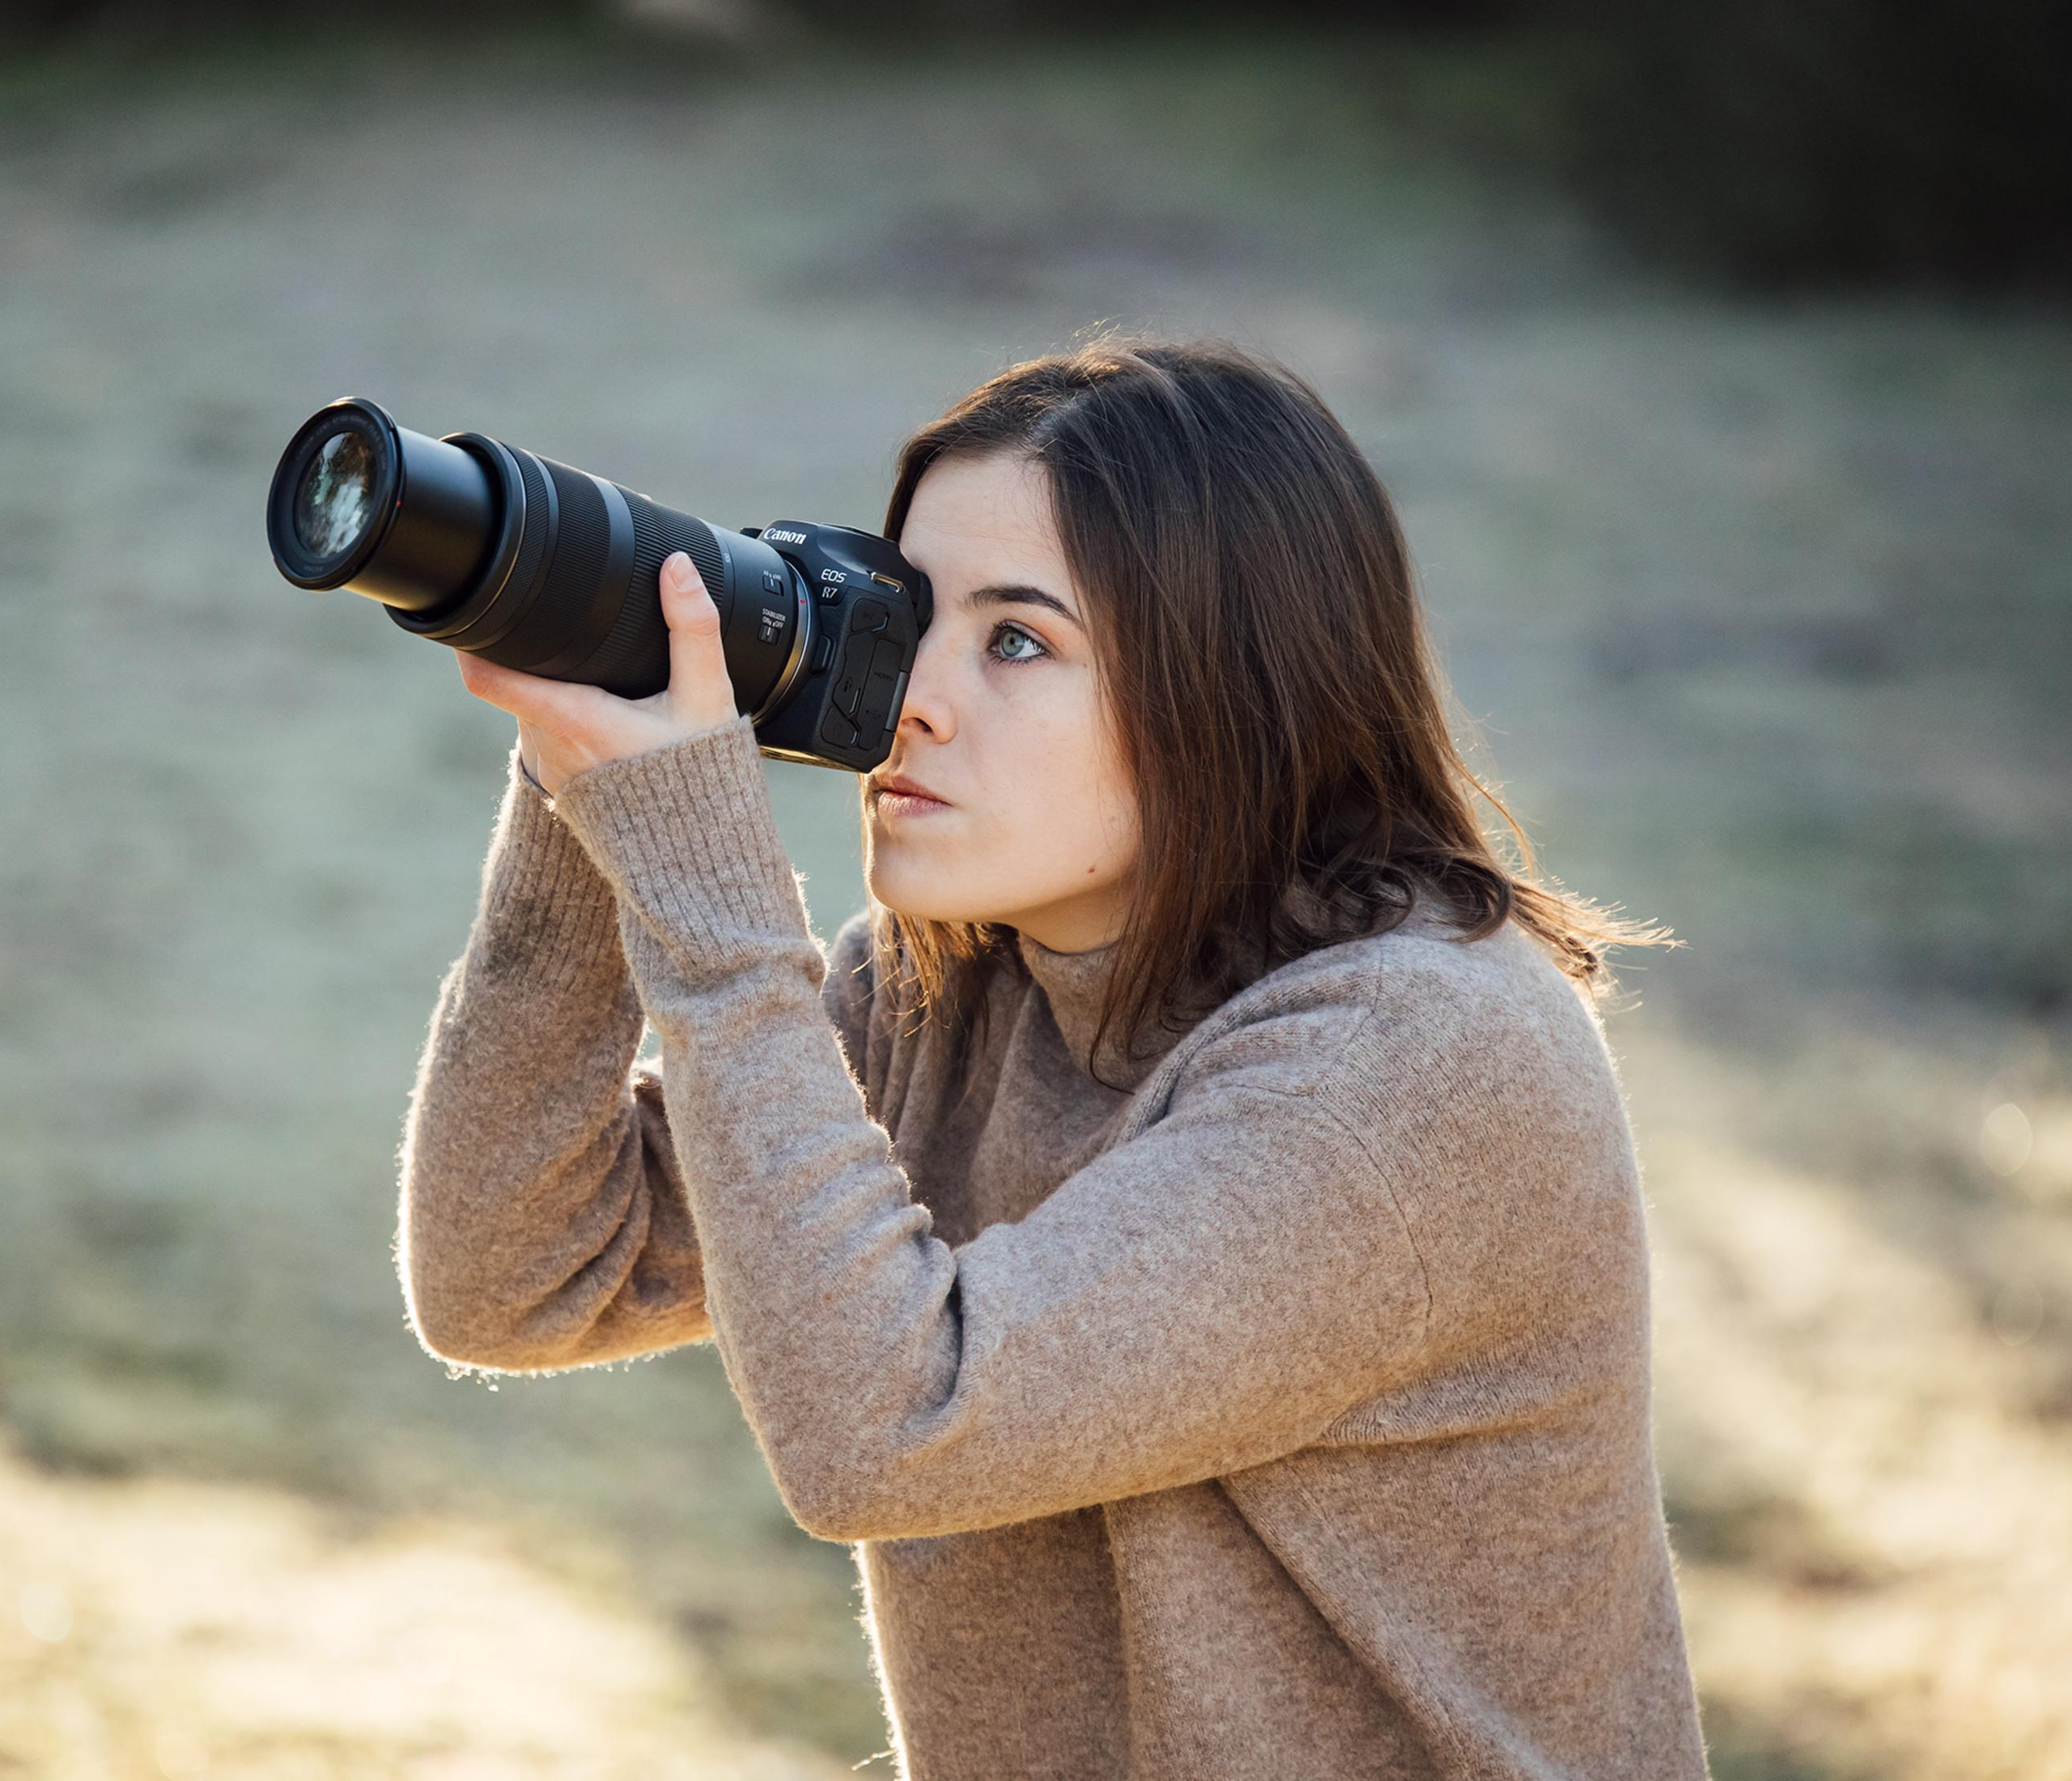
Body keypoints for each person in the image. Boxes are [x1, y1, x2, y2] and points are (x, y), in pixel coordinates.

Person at [396, 339, 1709, 1779]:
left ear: (1235, 688)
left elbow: (890, 1428)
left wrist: (701, 875)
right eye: (910, 621)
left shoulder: (1416, 1063)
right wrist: (586, 794)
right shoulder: (942, 996)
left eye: (1015, 641)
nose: (914, 700)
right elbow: (511, 1280)